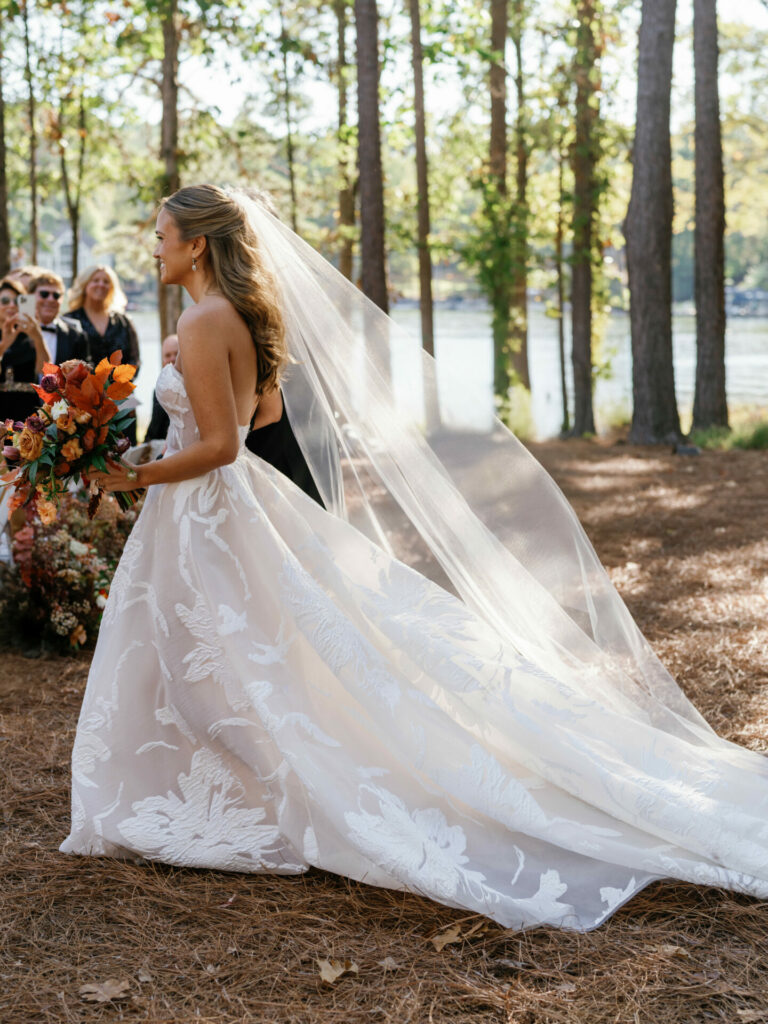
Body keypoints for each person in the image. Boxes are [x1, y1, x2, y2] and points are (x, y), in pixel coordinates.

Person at [62, 185, 768, 934]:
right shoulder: (226, 316)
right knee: (234, 657)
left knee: (216, 657)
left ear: (197, 244)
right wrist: (146, 453)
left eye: (163, 234)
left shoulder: (205, 320)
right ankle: (218, 792)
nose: (154, 245)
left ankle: (228, 796)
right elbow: (228, 425)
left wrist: (132, 476)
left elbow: (221, 446)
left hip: (215, 510)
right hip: (218, 511)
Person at [67, 265, 141, 442]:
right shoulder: (69, 321)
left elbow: (134, 361)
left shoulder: (123, 321)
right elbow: (66, 363)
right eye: (95, 280)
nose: (101, 285)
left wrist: (114, 390)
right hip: (83, 407)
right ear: (85, 285)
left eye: (106, 281)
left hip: (121, 404)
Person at [0, 277, 51, 422]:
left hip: (27, 411)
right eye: (4, 301)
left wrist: (38, 337)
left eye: (16, 301)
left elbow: (45, 370)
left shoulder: (30, 335)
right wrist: (3, 345)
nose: (11, 305)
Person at [28, 272, 89, 365]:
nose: (51, 299)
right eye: (44, 294)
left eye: (56, 295)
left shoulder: (75, 334)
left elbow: (85, 371)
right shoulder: (16, 330)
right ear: (30, 296)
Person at [143, 333, 178, 442]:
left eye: (176, 354)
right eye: (168, 355)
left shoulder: (195, 387)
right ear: (163, 360)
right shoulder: (158, 391)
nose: (172, 358)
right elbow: (154, 427)